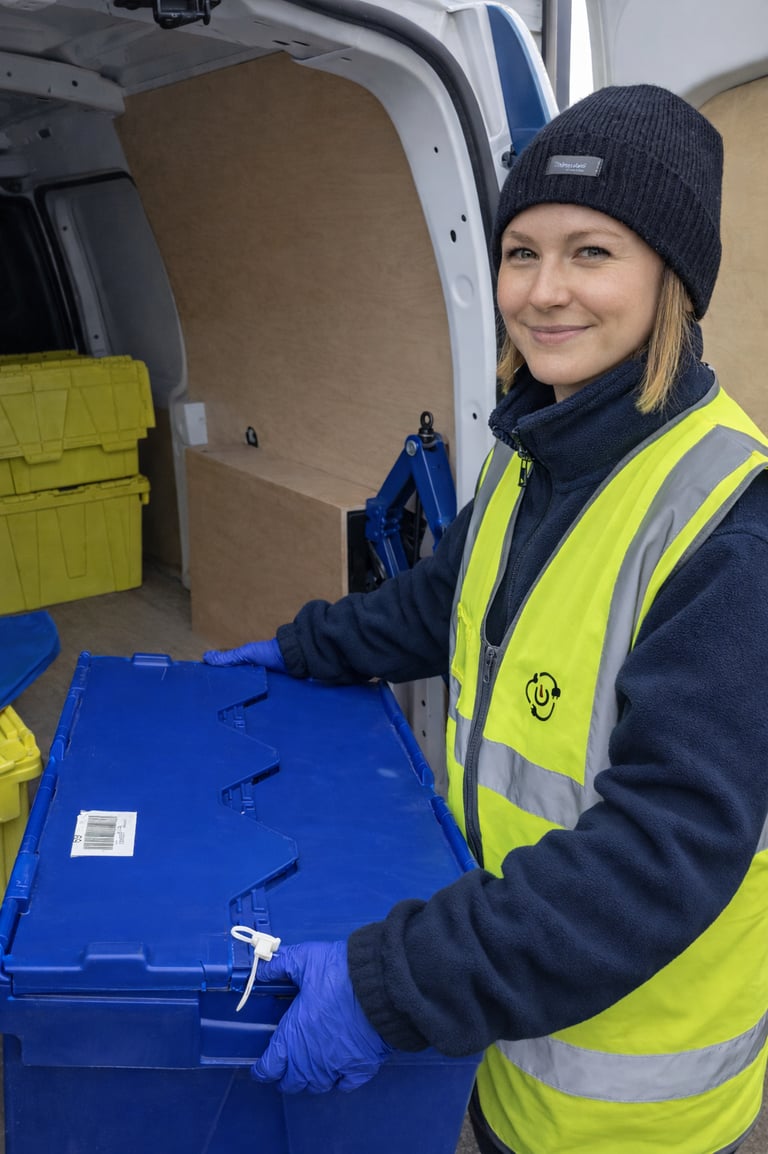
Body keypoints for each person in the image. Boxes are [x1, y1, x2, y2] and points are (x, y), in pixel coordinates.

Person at [204, 84, 768, 1154]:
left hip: (629, 1109)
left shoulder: (732, 531)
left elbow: (660, 853)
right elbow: (442, 600)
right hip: (501, 1021)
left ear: (673, 279)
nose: (544, 292)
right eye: (521, 251)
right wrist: (301, 646)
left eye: (592, 251)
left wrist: (386, 986)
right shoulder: (536, 450)